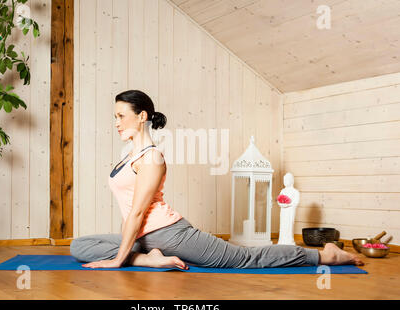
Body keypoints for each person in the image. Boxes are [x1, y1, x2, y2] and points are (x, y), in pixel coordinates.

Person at [70, 89, 364, 270]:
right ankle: (150, 258)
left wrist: (120, 258)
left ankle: (326, 256)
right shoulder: (128, 155)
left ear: (142, 115)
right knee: (79, 246)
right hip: (144, 240)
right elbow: (127, 212)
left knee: (245, 259)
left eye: (122, 116)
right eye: (115, 116)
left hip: (170, 234)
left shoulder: (151, 158)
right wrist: (132, 250)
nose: (117, 122)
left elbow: (136, 212)